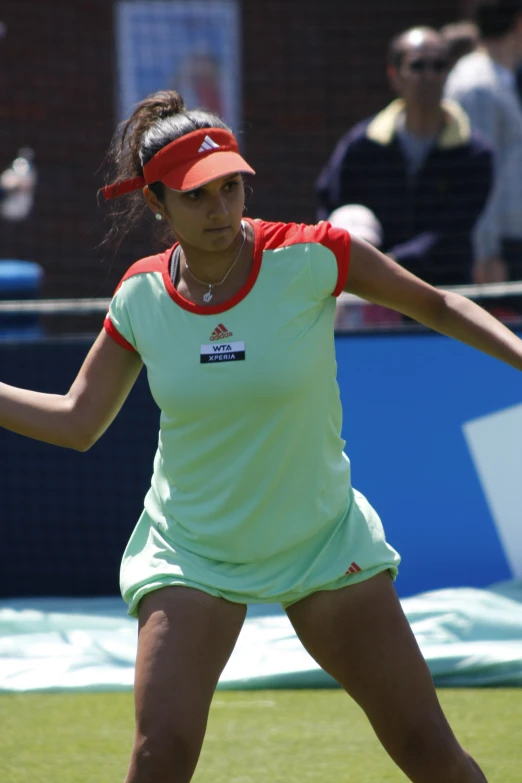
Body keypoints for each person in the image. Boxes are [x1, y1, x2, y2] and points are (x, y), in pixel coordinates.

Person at [4, 89, 521, 783]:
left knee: (431, 752)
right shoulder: (140, 296)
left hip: (321, 539)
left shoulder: (313, 257)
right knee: (157, 759)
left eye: (231, 188)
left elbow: (438, 303)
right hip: (191, 550)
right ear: (157, 203)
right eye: (197, 197)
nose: (220, 210)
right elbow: (76, 421)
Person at [316, 26, 493, 288]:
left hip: (445, 296)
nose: (429, 75)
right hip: (374, 294)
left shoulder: (475, 154)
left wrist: (392, 262)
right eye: (418, 66)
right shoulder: (361, 146)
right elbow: (331, 206)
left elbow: (452, 232)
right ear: (394, 75)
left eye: (439, 65)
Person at [445, 1, 522, 289]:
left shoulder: (500, 77)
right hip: (500, 252)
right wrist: (486, 254)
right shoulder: (479, 85)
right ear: (518, 22)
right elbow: (477, 174)